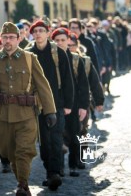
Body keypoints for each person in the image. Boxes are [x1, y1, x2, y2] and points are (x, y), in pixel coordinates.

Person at [0, 22, 57, 196]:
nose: (8, 41)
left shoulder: (30, 58)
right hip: (2, 115)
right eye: (5, 37)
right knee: (9, 153)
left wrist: (50, 110)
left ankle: (23, 185)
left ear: (19, 39)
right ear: (1, 39)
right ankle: (21, 180)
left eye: (12, 37)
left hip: (26, 115)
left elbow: (43, 85)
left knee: (24, 151)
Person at [26, 19, 74, 191]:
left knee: (55, 138)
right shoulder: (28, 54)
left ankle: (54, 173)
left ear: (47, 33)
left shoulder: (58, 53)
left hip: (57, 103)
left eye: (41, 30)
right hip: (37, 105)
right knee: (44, 142)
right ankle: (51, 171)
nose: (38, 34)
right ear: (32, 35)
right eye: (35, 31)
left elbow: (68, 79)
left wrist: (68, 104)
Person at [51, 28, 89, 177]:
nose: (60, 43)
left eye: (63, 40)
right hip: (55, 104)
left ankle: (73, 165)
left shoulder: (75, 59)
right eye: (57, 40)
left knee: (74, 136)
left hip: (73, 104)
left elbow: (83, 85)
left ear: (68, 41)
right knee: (56, 138)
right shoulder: (51, 59)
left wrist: (84, 106)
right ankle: (58, 168)